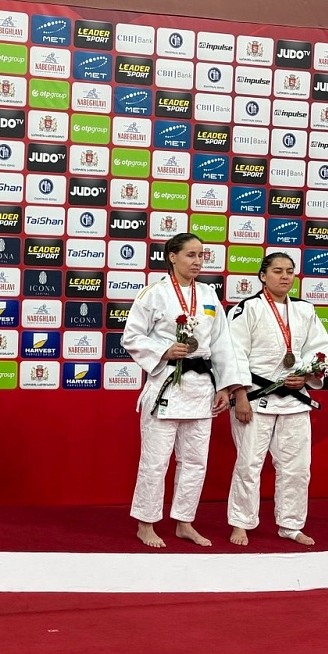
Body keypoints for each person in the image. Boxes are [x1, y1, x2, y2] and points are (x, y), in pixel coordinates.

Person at [122, 232, 247, 548]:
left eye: (201, 255)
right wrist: (164, 350)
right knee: (155, 462)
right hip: (166, 386)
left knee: (195, 462)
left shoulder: (208, 294)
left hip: (201, 389)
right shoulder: (153, 294)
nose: (198, 261)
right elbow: (131, 336)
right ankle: (146, 523)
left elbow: (222, 345)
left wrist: (226, 387)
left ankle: (184, 521)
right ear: (172, 256)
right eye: (191, 255)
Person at [227, 252, 328, 546]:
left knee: (297, 468)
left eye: (289, 271)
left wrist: (307, 374)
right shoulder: (246, 309)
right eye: (277, 271)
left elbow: (320, 348)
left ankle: (291, 524)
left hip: (295, 399)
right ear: (263, 276)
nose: (285, 276)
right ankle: (241, 523)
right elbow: (234, 354)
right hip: (255, 398)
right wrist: (239, 395)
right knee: (249, 464)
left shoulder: (304, 310)